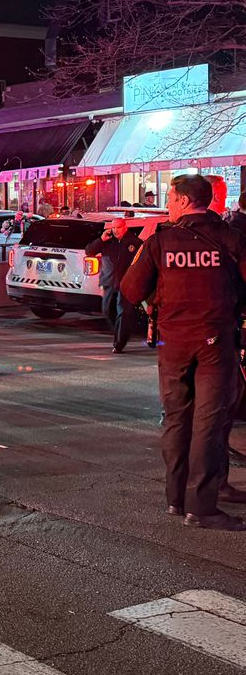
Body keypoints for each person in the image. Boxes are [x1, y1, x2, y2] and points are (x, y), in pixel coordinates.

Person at [120, 173, 246, 531]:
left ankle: (176, 498)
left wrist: (157, 303)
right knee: (209, 422)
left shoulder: (160, 242)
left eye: (171, 199)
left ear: (186, 201)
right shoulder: (230, 238)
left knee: (176, 419)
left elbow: (130, 290)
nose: (168, 205)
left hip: (173, 342)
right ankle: (201, 506)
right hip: (215, 340)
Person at [85, 217, 143, 353]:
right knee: (107, 310)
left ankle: (119, 343)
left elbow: (142, 261)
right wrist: (101, 240)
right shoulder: (107, 241)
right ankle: (119, 332)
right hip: (109, 282)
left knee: (123, 312)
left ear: (125, 228)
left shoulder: (134, 242)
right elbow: (89, 251)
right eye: (113, 227)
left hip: (126, 283)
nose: (116, 230)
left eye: (118, 227)